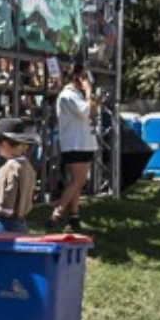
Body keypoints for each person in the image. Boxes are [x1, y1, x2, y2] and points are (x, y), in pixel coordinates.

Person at [51, 63, 97, 231]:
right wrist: (89, 92)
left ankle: (74, 216)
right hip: (75, 144)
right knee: (79, 181)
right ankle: (57, 214)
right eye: (85, 77)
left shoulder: (77, 96)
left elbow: (92, 112)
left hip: (83, 142)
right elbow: (86, 111)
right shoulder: (68, 96)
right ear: (77, 78)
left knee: (77, 182)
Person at [0, 118, 39, 233]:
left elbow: (6, 210)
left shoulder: (9, 168)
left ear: (4, 143)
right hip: (20, 225)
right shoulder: (27, 166)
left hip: (1, 226)